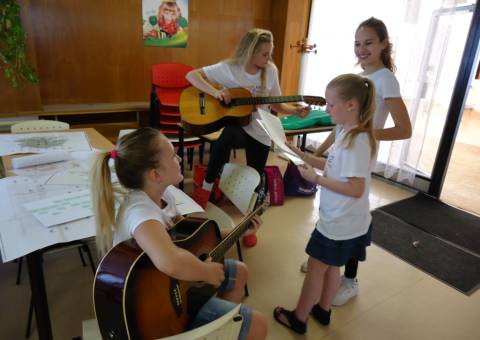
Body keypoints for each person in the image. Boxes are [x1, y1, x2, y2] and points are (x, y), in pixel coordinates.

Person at [91, 127, 268, 340]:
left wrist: (238, 231)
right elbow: (170, 262)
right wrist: (205, 272)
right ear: (155, 175)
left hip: (175, 284)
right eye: (173, 156)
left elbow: (189, 241)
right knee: (258, 325)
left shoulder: (164, 195)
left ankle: (216, 329)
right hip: (158, 305)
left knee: (239, 271)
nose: (180, 158)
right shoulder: (140, 212)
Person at [299, 17, 412, 307]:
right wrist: (323, 152)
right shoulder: (359, 78)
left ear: (384, 44)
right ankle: (323, 260)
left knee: (351, 218)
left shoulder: (386, 79)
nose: (361, 49)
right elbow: (338, 128)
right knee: (335, 213)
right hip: (344, 151)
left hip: (360, 156)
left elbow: (404, 129)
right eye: (357, 43)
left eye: (369, 43)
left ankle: (350, 280)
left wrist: (364, 133)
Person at [186, 28, 310, 247]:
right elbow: (191, 75)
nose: (268, 58)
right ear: (249, 51)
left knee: (256, 177)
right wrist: (216, 93)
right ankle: (205, 188)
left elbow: (277, 104)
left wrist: (294, 110)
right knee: (227, 136)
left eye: (270, 53)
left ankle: (248, 225)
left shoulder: (270, 70)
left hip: (260, 128)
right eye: (264, 53)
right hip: (238, 126)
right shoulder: (229, 68)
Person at [273, 73, 377, 334]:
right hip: (348, 220)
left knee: (316, 269)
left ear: (351, 105)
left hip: (339, 221)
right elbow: (333, 166)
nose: (326, 108)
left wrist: (316, 179)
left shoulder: (357, 142)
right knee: (333, 266)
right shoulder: (346, 132)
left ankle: (299, 318)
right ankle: (323, 309)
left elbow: (355, 188)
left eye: (330, 104)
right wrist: (299, 153)